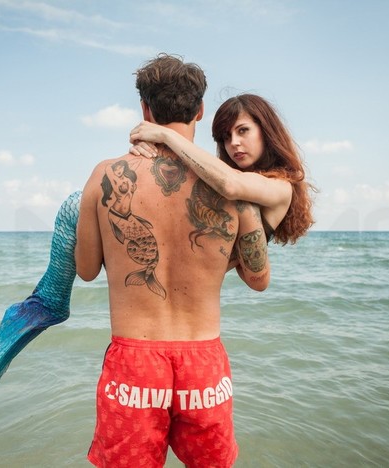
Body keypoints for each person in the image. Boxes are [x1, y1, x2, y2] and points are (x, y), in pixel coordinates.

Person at [76, 53, 271, 467]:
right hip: (203, 364)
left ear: (144, 109)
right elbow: (258, 278)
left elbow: (86, 269)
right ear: (200, 110)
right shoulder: (232, 185)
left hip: (133, 365)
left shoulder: (104, 176)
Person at [129, 93, 315, 245]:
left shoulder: (281, 187)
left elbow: (230, 184)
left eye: (243, 130)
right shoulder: (227, 179)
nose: (233, 143)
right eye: (225, 137)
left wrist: (166, 135)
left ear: (266, 130)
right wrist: (148, 152)